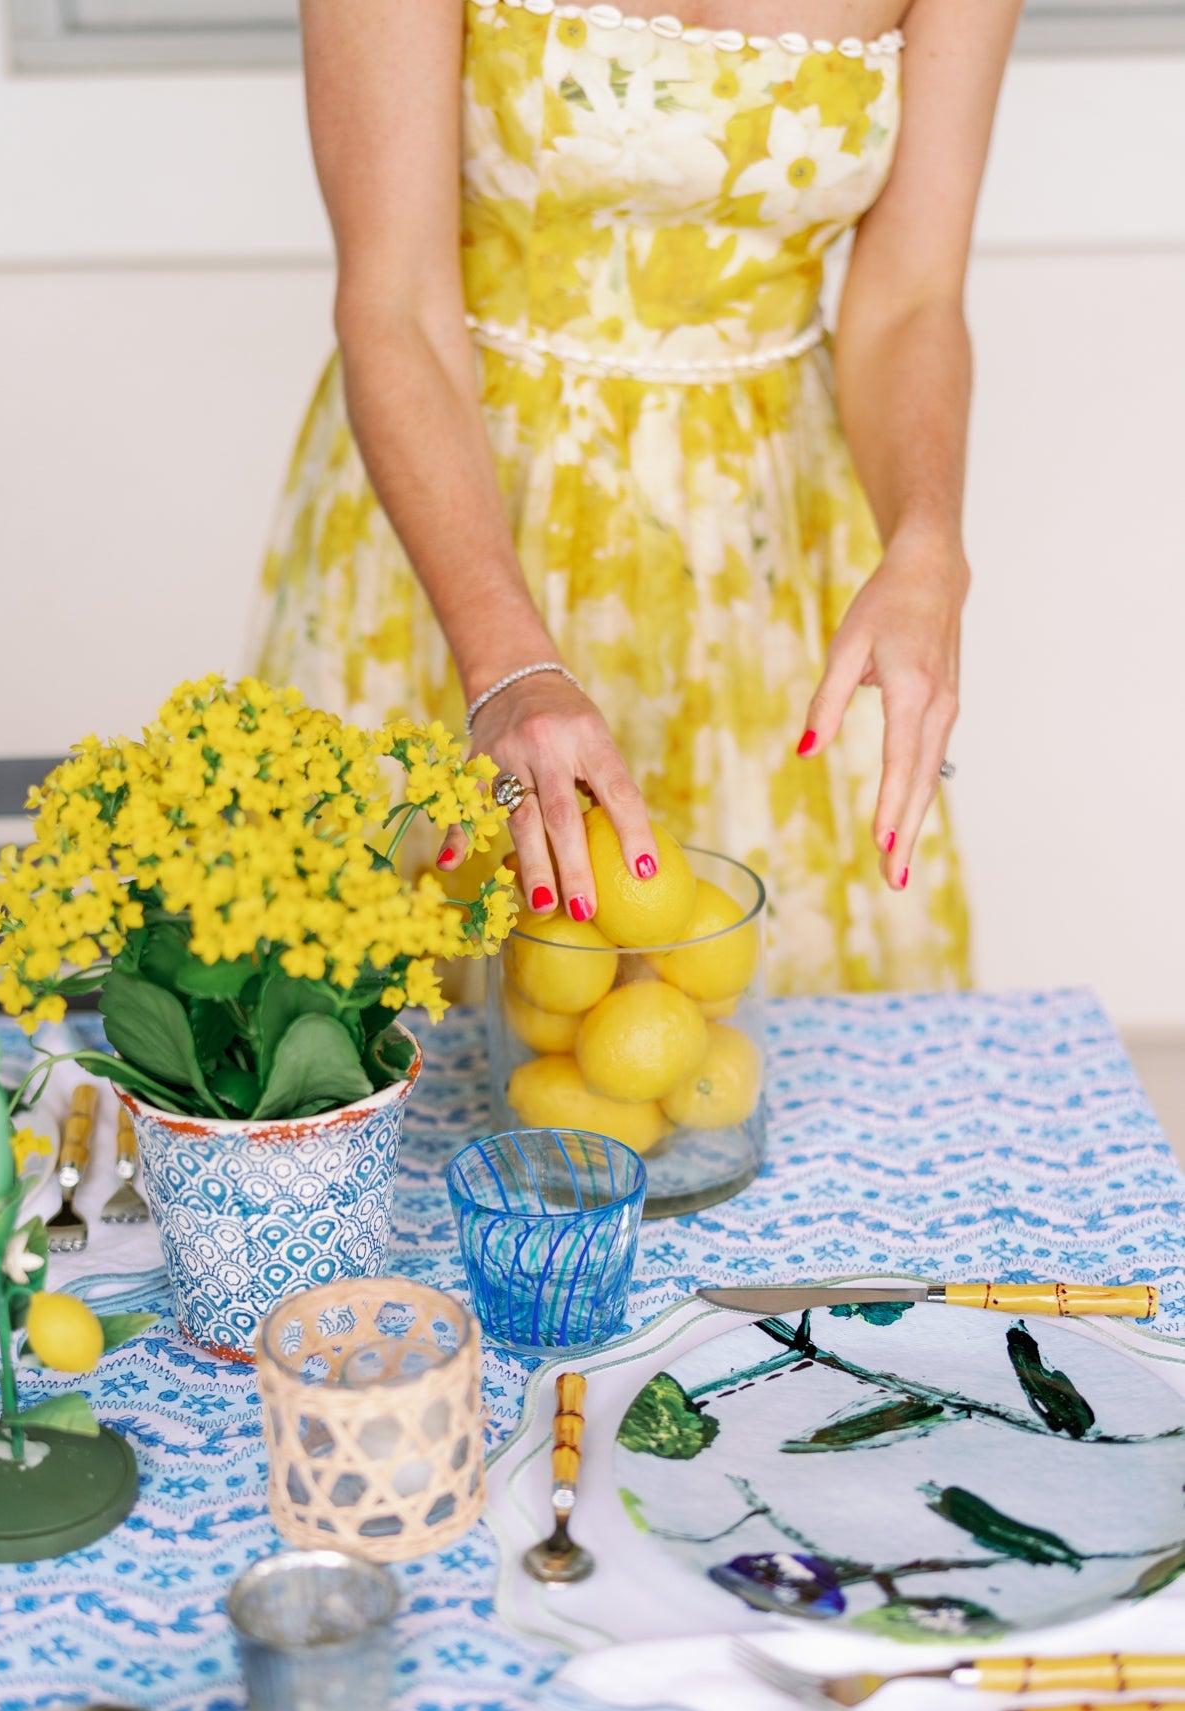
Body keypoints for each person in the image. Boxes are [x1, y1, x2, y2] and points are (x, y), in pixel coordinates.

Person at [246, 0, 1021, 993]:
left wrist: (925, 540)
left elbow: (911, 297)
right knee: (405, 1024)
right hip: (458, 518)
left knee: (740, 1037)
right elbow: (393, 301)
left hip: (763, 546)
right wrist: (502, 667)